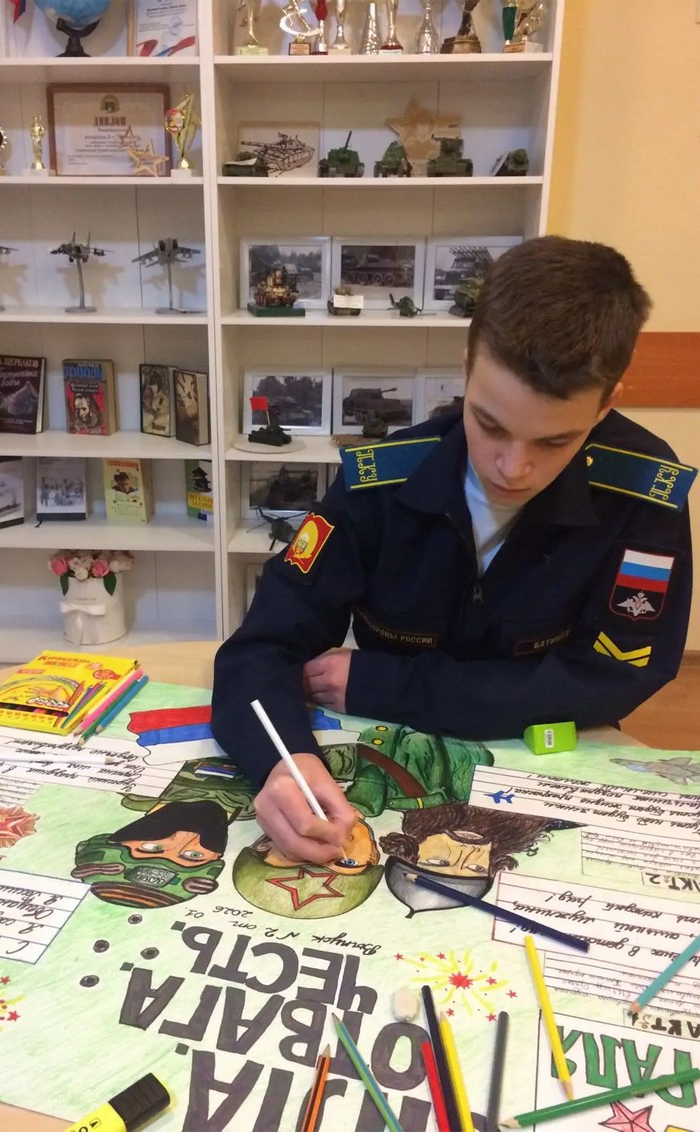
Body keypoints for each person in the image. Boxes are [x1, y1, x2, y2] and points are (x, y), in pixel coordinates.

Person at [211, 236, 695, 866]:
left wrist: (393, 685)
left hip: (545, 765)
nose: (513, 468)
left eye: (554, 441)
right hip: (392, 771)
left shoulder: (643, 494)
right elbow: (260, 648)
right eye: (490, 423)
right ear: (466, 369)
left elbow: (616, 676)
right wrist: (282, 763)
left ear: (607, 404)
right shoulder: (380, 484)